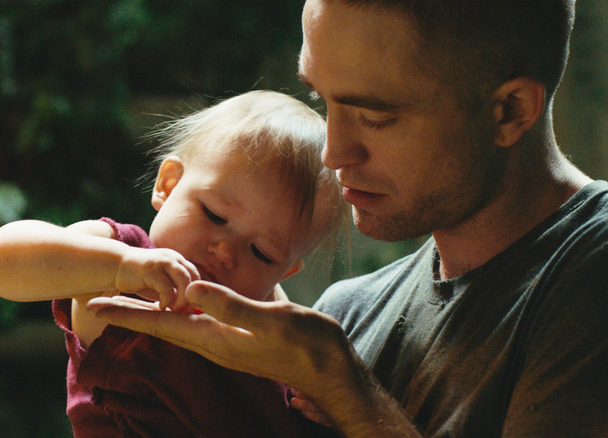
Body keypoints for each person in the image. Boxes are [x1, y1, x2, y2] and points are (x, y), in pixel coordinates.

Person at [85, 0, 608, 437]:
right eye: (320, 100)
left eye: (375, 116)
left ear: (510, 111)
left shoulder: (587, 275)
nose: (333, 154)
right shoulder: (345, 316)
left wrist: (349, 393)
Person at [0, 90, 346, 437]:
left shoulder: (269, 318)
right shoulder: (122, 256)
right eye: (215, 215)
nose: (225, 251)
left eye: (262, 252)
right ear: (168, 185)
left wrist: (319, 406)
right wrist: (121, 265)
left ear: (287, 270)